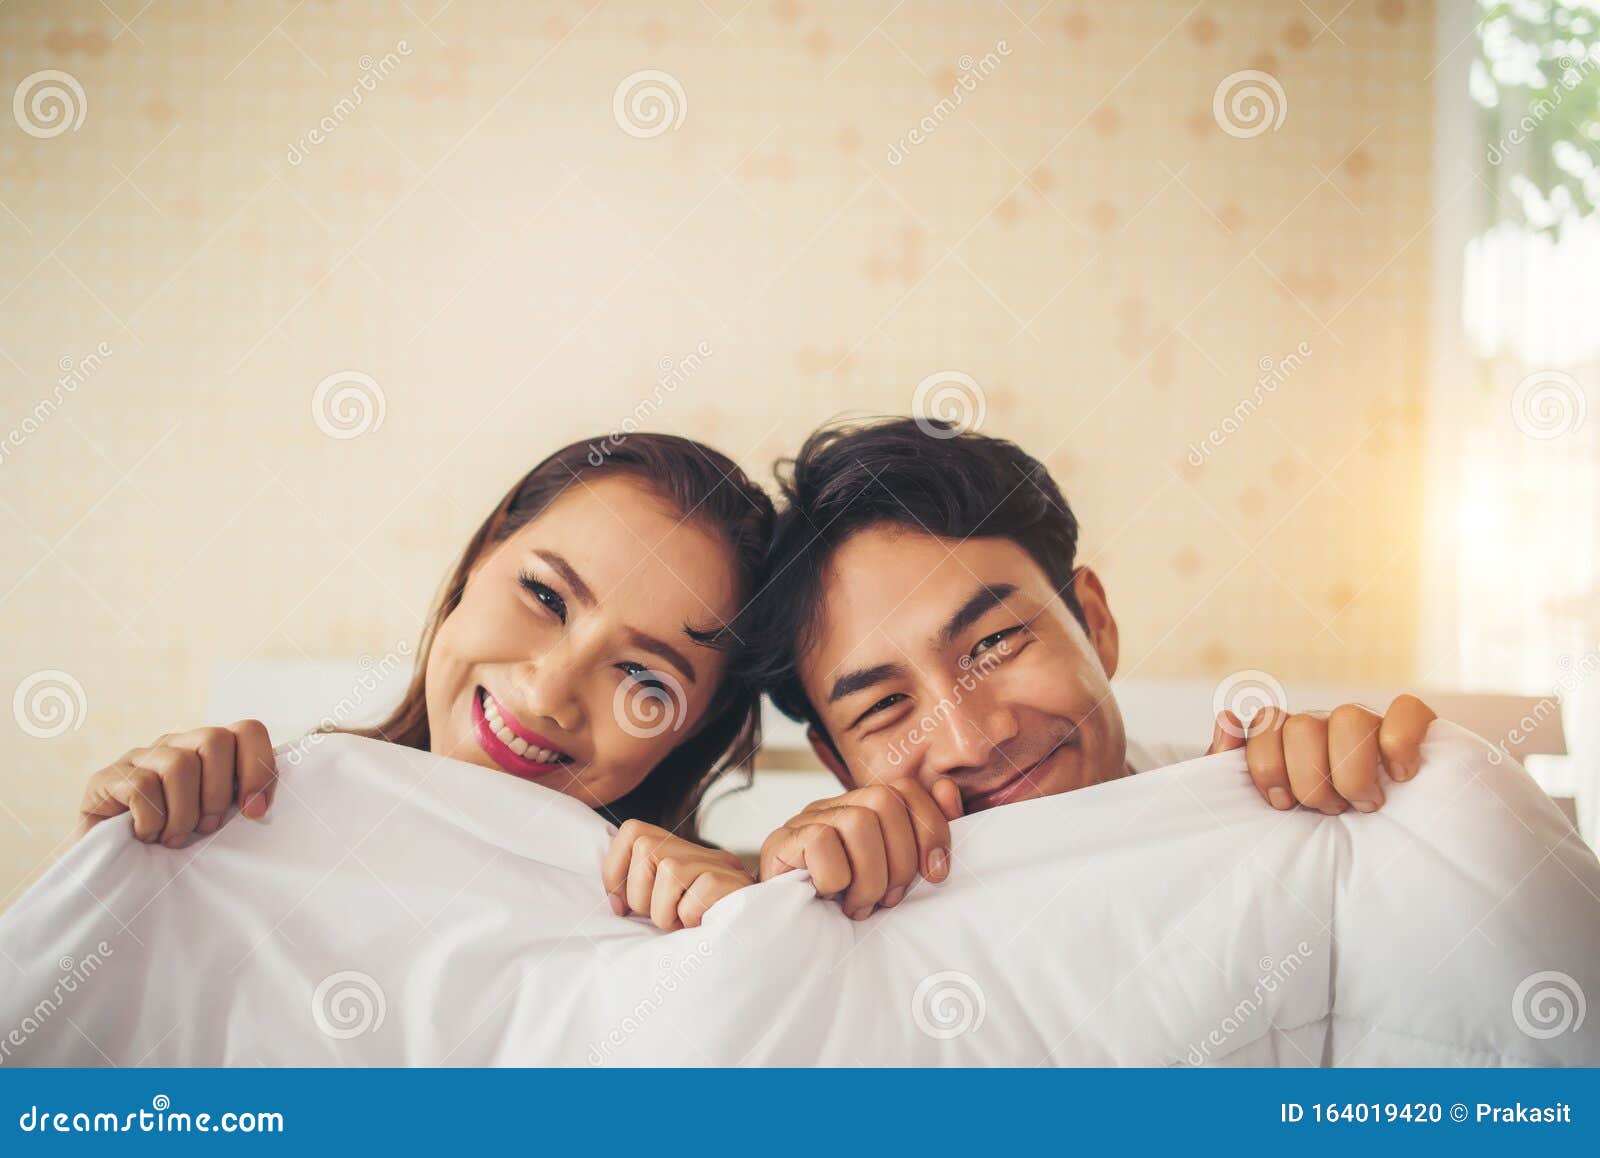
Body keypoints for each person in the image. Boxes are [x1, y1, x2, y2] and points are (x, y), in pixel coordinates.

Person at [73, 434, 773, 932]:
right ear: (478, 559)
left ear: (695, 729)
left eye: (641, 676)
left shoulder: (691, 933)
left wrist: (733, 960)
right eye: (546, 597)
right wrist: (108, 882)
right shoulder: (237, 815)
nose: (546, 694)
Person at [747, 417, 1437, 921]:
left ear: (1095, 624)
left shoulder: (1280, 817)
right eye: (881, 708)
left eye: (994, 645)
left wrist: (1406, 794)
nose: (972, 740)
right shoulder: (824, 927)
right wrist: (773, 900)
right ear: (838, 766)